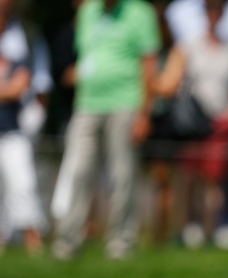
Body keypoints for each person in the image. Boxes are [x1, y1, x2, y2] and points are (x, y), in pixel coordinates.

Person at [51, 0, 160, 260]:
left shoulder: (141, 13)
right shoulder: (87, 12)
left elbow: (149, 65)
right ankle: (68, 240)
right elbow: (86, 55)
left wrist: (145, 114)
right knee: (78, 171)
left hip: (126, 103)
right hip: (87, 104)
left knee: (123, 175)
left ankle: (121, 241)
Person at [154, 0, 228, 249]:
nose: (213, 15)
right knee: (189, 177)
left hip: (221, 122)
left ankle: (213, 227)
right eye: (210, 10)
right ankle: (191, 227)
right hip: (193, 122)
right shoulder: (189, 46)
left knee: (214, 179)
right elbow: (173, 81)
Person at [0, 0, 47, 255]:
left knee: (23, 184)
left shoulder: (26, 38)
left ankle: (33, 240)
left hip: (14, 129)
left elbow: (23, 85)